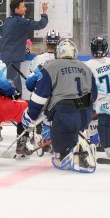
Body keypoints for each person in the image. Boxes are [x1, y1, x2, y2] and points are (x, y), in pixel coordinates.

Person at [23, 40, 97, 172]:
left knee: (58, 155)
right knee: (71, 133)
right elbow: (94, 95)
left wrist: (30, 115)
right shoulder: (86, 67)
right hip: (85, 115)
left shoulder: (50, 66)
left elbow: (39, 96)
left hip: (64, 114)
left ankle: (69, 155)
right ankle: (82, 147)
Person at [0, 0, 49, 93]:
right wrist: (44, 12)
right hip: (13, 58)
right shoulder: (20, 22)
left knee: (13, 82)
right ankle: (15, 104)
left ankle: (16, 102)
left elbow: (11, 37)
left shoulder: (7, 21)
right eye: (23, 7)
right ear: (16, 10)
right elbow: (40, 25)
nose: (25, 9)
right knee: (13, 84)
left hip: (8, 56)